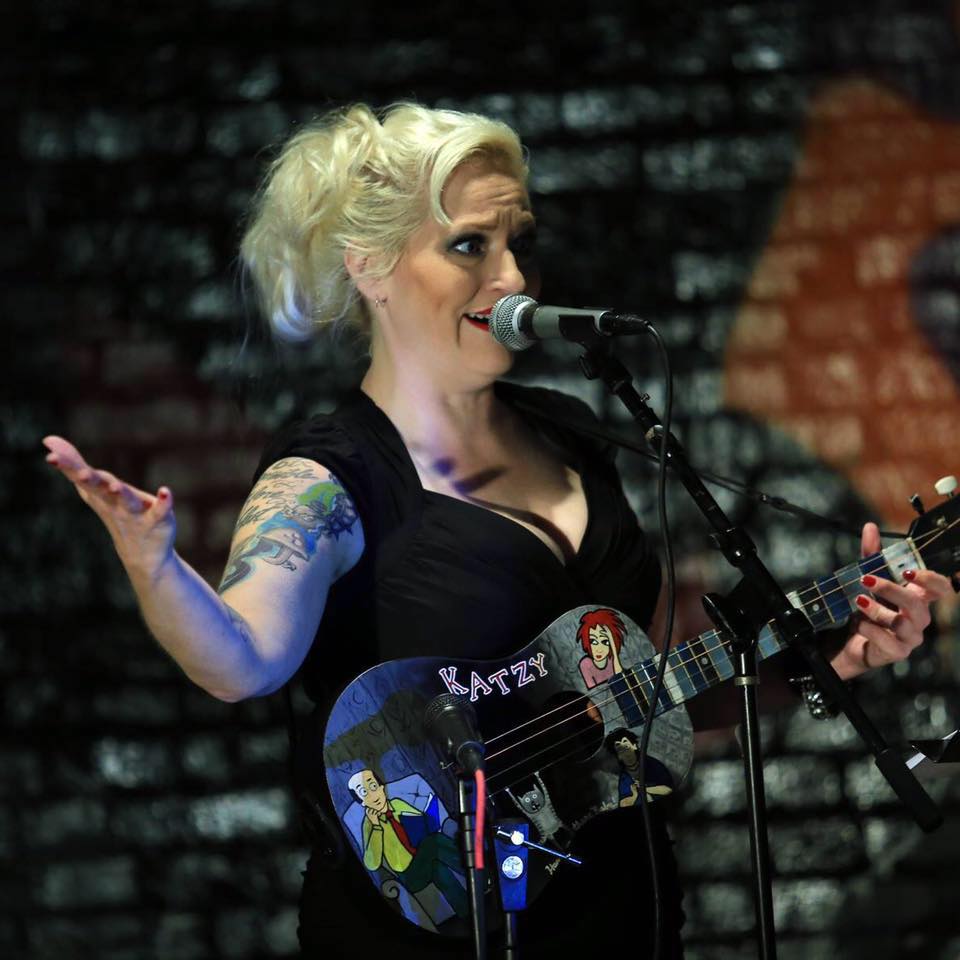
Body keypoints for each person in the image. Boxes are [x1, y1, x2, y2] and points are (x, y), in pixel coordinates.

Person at [42, 102, 954, 958]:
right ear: (370, 267)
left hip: (624, 914)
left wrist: (834, 656)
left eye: (519, 242)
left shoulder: (571, 431)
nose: (512, 277)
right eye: (469, 245)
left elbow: (631, 700)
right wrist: (155, 567)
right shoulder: (329, 477)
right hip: (431, 935)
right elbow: (243, 661)